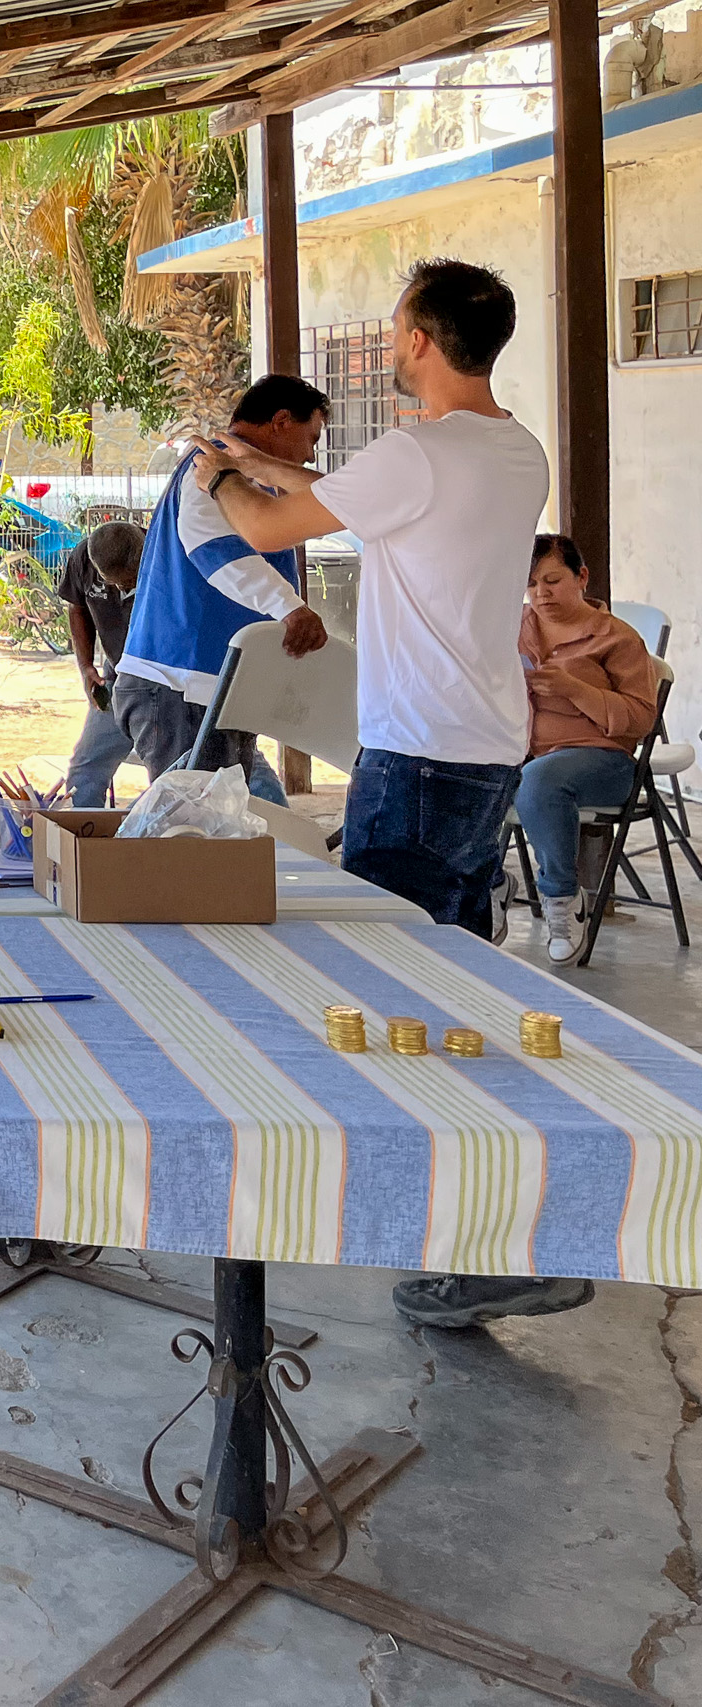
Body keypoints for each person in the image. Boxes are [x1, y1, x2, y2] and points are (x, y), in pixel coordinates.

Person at [197, 256, 560, 1331]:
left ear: (416, 339)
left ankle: (491, 1240)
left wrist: (210, 471)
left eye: (396, 327)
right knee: (452, 992)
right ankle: (502, 1228)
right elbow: (323, 497)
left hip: (416, 758)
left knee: (391, 1000)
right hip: (486, 749)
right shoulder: (513, 449)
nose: (391, 340)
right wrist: (253, 460)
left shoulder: (417, 452)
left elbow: (270, 525)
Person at [115, 375, 333, 803]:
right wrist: (289, 608)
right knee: (195, 836)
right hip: (179, 683)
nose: (309, 455)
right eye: (312, 439)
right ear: (281, 421)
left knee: (217, 831)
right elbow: (213, 548)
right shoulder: (211, 465)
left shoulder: (245, 475)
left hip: (209, 688)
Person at [507, 533, 659, 963]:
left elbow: (641, 718)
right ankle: (488, 880)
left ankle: (561, 898)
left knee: (538, 781)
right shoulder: (513, 626)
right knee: (456, 767)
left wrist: (574, 690)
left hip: (602, 760)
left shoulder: (617, 638)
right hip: (526, 752)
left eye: (553, 580)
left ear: (582, 578)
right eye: (532, 583)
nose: (541, 593)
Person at [56, 519, 144, 808]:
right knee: (87, 767)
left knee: (181, 768)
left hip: (165, 681)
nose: (120, 588)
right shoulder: (83, 557)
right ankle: (83, 837)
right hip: (115, 677)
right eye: (112, 581)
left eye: (127, 581)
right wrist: (86, 667)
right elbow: (77, 608)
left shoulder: (164, 554)